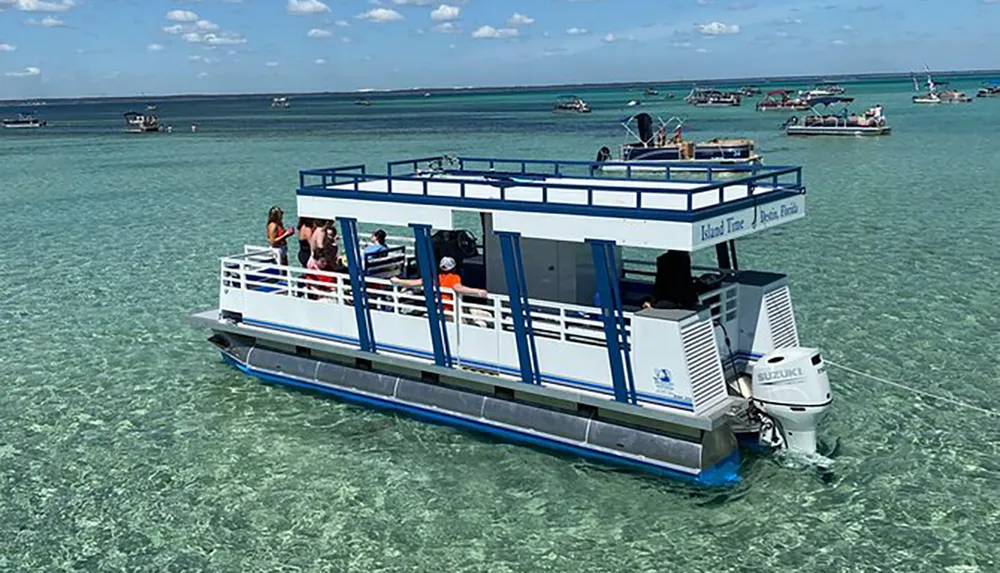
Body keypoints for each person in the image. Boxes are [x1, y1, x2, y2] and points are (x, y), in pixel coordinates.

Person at [391, 256, 486, 315]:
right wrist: (477, 291)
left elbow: (414, 283)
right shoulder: (454, 277)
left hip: (438, 308)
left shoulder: (435, 277)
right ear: (454, 268)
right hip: (450, 310)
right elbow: (459, 288)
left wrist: (398, 281)